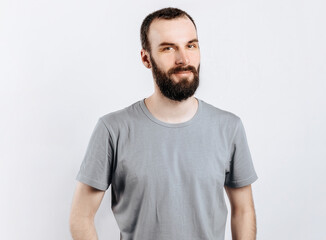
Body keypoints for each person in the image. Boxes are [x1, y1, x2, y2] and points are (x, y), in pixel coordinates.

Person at [70, 7, 258, 240]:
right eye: (168, 48)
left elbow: (243, 210)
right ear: (146, 58)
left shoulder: (229, 128)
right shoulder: (113, 130)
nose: (184, 59)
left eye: (191, 45)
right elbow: (81, 217)